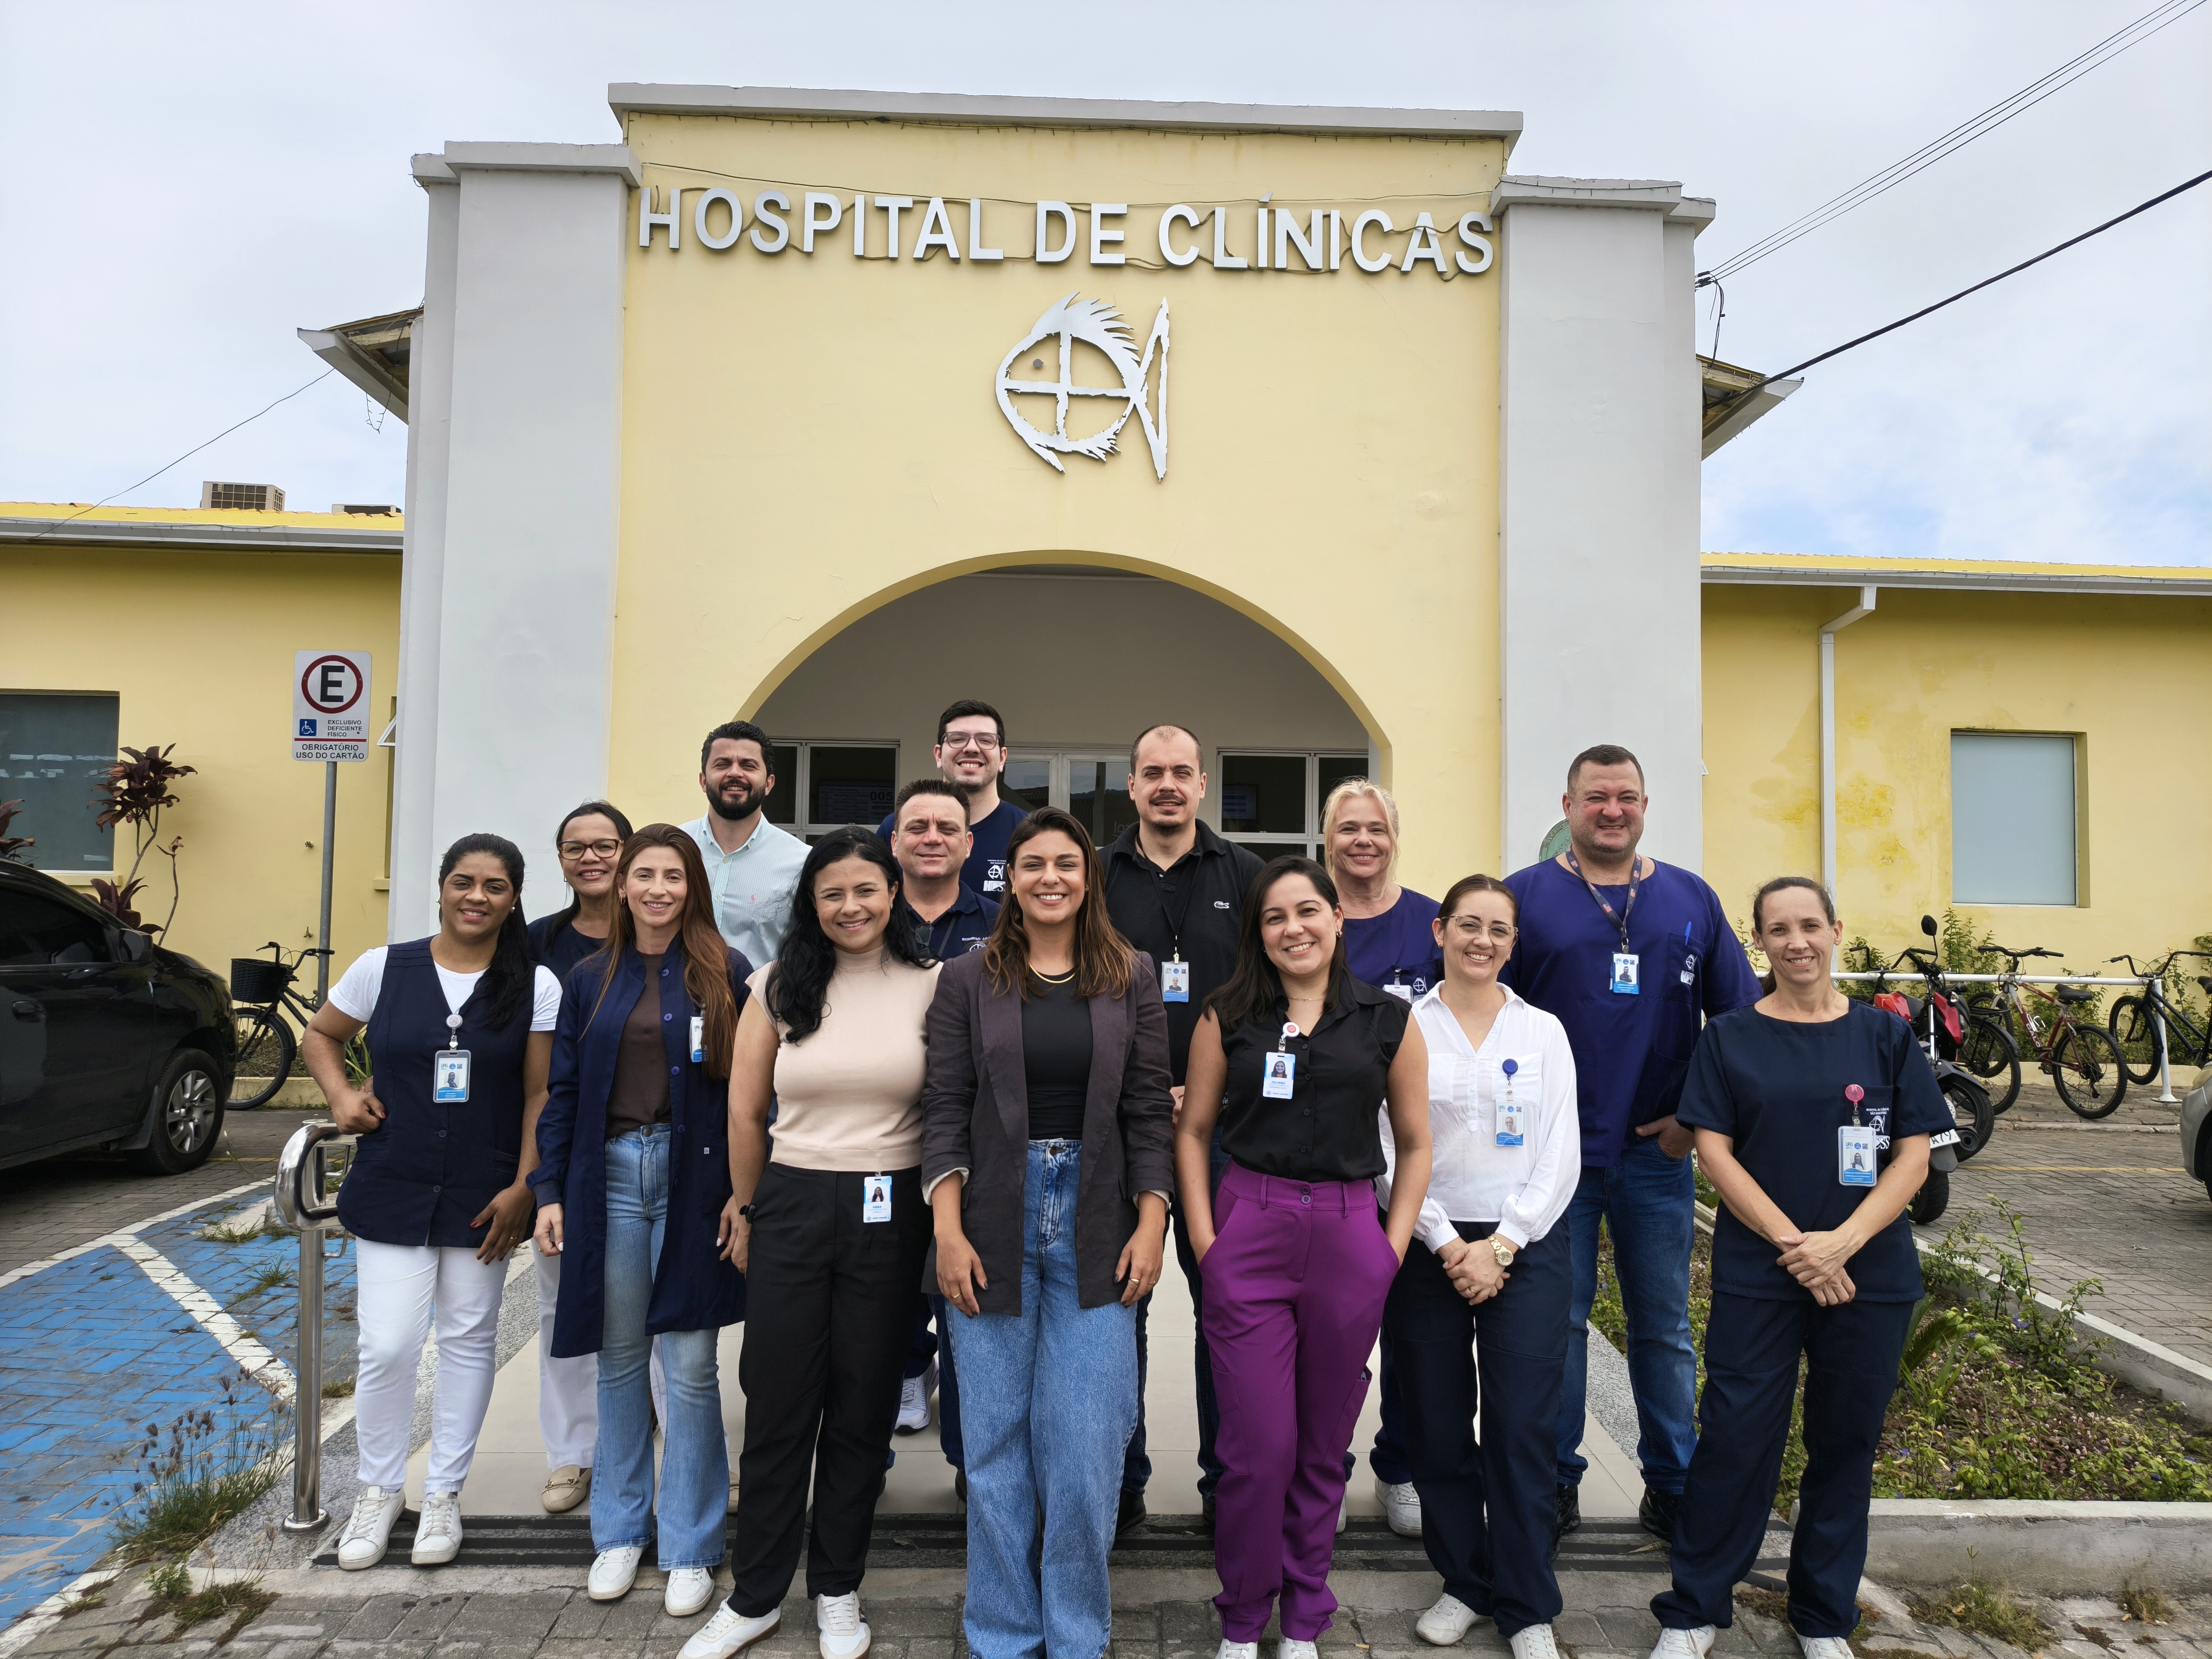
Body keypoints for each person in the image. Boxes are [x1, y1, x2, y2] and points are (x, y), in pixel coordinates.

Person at [1647, 876, 1947, 1659]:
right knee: (1737, 1438)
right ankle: (1694, 1610)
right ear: (1760, 944)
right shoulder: (1732, 1036)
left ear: (1837, 930)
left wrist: (1842, 1243)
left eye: (1809, 925)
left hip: (1868, 1275)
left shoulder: (1885, 1038)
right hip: (1763, 1270)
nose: (1796, 941)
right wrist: (1799, 1247)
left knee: (1845, 1444)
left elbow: (1914, 1157)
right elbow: (1712, 1151)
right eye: (1778, 929)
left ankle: (1821, 1618)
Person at [921, 806, 1175, 1659]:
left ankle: (1074, 1631)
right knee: (993, 1445)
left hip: (1100, 1222)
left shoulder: (1130, 973)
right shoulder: (966, 978)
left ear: (1088, 875)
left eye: (1067, 863)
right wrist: (948, 1232)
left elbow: (1148, 1109)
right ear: (1011, 878)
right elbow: (944, 1111)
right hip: (993, 1215)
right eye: (1033, 864)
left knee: (1086, 1444)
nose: (1051, 878)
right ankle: (999, 1631)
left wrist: (1154, 1221)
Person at [683, 830, 940, 1659]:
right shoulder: (776, 985)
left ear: (893, 894)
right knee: (780, 1401)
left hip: (890, 1206)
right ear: (812, 904)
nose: (851, 907)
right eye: (833, 894)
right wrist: (748, 1210)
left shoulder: (935, 987)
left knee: (863, 1403)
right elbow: (745, 1111)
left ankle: (837, 1588)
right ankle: (756, 1595)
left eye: (866, 890)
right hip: (791, 1201)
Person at [1501, 744, 1761, 1545]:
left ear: (1645, 805)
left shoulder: (1690, 898)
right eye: (1595, 797)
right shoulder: (1526, 899)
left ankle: (1674, 1484)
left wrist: (1694, 1120)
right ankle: (1557, 1482)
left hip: (1657, 1157)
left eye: (1626, 797)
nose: (1611, 810)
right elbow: (1484, 1010)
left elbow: (1740, 1025)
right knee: (1561, 1326)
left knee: (1664, 1328)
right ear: (1568, 805)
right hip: (1556, 1161)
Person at [1176, 856, 1433, 1659]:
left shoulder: (1390, 1019)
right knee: (1257, 1450)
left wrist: (1388, 1249)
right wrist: (1207, 1242)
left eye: (1307, 912)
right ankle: (1245, 1617)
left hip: (1351, 1235)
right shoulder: (1228, 1017)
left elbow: (1419, 1144)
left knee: (1324, 1446)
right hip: (1249, 1231)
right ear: (1260, 934)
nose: (1294, 928)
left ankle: (1307, 1617)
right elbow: (1191, 1131)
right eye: (1275, 917)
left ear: (1336, 920)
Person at [303, 833, 561, 1572]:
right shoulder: (383, 968)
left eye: (495, 886)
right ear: (441, 888)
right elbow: (321, 1036)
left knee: (469, 1341)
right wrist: (343, 1096)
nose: (476, 897)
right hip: (394, 1182)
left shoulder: (535, 983)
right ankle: (379, 1491)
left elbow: (540, 1093)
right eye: (463, 882)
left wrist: (524, 1185)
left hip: (484, 1193)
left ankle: (443, 1493)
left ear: (515, 899)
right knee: (387, 1347)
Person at [531, 826, 751, 1616]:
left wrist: (743, 1193)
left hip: (699, 1180)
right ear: (621, 886)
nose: (658, 888)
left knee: (690, 1364)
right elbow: (560, 1094)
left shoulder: (728, 973)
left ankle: (692, 1542)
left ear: (693, 886)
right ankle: (621, 1532)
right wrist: (548, 1189)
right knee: (620, 1357)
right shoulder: (589, 978)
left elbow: (753, 1097)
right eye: (643, 875)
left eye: (672, 876)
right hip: (612, 1176)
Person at [1379, 875, 1579, 1658]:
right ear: (1439, 931)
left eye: (1499, 929)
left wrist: (1503, 1243)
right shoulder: (1401, 1026)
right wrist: (1446, 1241)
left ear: (1512, 942)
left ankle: (1528, 1603)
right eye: (1468, 924)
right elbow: (1387, 1145)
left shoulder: (1544, 1032)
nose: (1482, 940)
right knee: (1434, 1421)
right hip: (1428, 1243)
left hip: (1524, 1244)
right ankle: (1464, 1582)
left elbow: (1563, 1149)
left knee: (1522, 1426)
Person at [1100, 723, 1262, 1527]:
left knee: (1225, 1306)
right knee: (1115, 1302)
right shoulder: (1095, 874)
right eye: (1152, 772)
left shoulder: (1249, 875)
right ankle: (1120, 1485)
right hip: (1117, 1124)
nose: (1167, 785)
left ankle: (1226, 1486)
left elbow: (1270, 998)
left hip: (1222, 1128)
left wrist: (1205, 1086)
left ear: (1204, 787)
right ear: (1132, 786)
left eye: (1182, 773)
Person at [1321, 777, 1442, 1537]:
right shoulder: (1309, 919)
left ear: (1395, 837)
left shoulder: (1431, 924)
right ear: (1325, 836)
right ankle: (1323, 1468)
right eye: (1348, 828)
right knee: (1331, 1330)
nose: (1363, 841)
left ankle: (1399, 1465)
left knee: (1409, 1325)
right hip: (1327, 1157)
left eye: (1376, 828)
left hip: (1415, 1156)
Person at [525, 800, 636, 1517]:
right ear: (560, 857)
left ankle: (649, 1446)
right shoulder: (534, 945)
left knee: (653, 1313)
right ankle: (572, 1456)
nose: (590, 857)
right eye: (575, 846)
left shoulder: (660, 937)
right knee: (563, 1306)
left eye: (604, 845)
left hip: (648, 1148)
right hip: (565, 1147)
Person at [886, 778, 1001, 1460]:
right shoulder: (864, 918)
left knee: (967, 1306)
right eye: (917, 826)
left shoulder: (1003, 927)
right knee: (885, 1304)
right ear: (895, 841)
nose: (932, 837)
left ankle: (968, 1459)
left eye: (945, 828)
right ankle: (874, 1444)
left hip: (972, 1145)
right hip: (885, 1141)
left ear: (967, 843)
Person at [684, 719, 812, 966]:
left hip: (763, 1003)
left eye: (748, 765)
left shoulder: (801, 861)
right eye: (722, 764)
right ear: (703, 780)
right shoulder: (674, 847)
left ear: (769, 784)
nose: (734, 773)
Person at [875, 699, 1027, 900]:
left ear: (1002, 758)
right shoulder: (895, 828)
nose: (972, 748)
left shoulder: (1026, 831)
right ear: (938, 755)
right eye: (957, 739)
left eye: (986, 740)